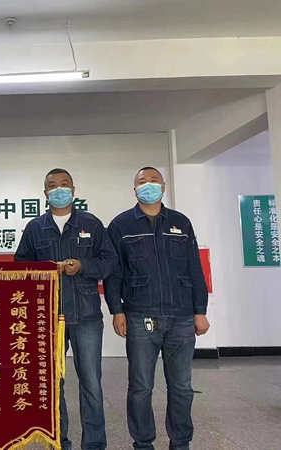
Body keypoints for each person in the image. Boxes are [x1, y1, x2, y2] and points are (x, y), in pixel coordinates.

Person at [104, 167, 210, 450]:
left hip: (181, 317)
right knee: (140, 387)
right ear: (134, 189)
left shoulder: (180, 222)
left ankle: (180, 442)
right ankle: (143, 443)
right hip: (140, 315)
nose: (148, 185)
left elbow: (194, 268)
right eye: (142, 181)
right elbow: (114, 273)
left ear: (163, 186)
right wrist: (116, 310)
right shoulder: (121, 225)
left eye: (153, 181)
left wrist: (200, 311)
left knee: (182, 387)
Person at [15, 168, 119, 450]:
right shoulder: (35, 228)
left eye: (64, 184)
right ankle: (58, 442)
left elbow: (109, 262)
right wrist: (44, 271)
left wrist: (83, 266)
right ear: (45, 193)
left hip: (86, 316)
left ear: (73, 190)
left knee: (91, 384)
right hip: (47, 318)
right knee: (51, 383)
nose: (58, 189)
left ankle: (94, 444)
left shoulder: (91, 223)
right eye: (52, 185)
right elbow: (21, 267)